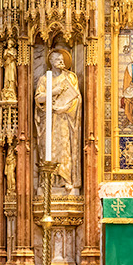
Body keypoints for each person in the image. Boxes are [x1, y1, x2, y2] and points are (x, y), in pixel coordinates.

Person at [37, 48, 83, 192]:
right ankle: (49, 181)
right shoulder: (44, 79)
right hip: (50, 120)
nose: (61, 62)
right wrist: (53, 92)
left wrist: (65, 108)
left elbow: (77, 99)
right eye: (58, 60)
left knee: (65, 149)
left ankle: (65, 179)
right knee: (49, 149)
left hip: (65, 119)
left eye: (63, 60)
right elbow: (38, 98)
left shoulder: (71, 78)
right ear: (51, 61)